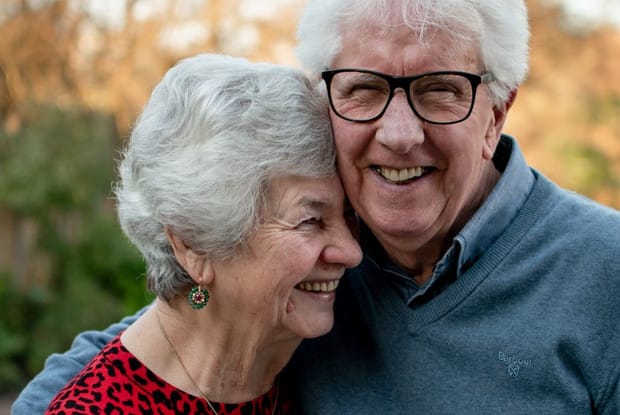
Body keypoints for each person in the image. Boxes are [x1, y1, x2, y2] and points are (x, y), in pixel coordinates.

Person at [12, 0, 620, 413]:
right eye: (365, 88)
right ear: (328, 96)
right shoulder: (317, 270)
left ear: (497, 113)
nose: (399, 133)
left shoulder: (604, 273)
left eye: (440, 91)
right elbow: (179, 327)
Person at [40, 53, 362, 414]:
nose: (352, 252)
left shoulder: (312, 366)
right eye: (310, 221)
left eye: (349, 217)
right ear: (194, 244)